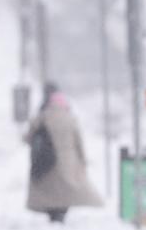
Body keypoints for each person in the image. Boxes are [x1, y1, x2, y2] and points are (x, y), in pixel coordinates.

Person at [24, 83, 102, 222]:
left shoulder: (42, 117)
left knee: (51, 188)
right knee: (65, 189)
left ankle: (53, 214)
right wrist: (83, 160)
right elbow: (79, 142)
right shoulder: (70, 118)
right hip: (68, 160)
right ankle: (61, 213)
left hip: (47, 160)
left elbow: (28, 137)